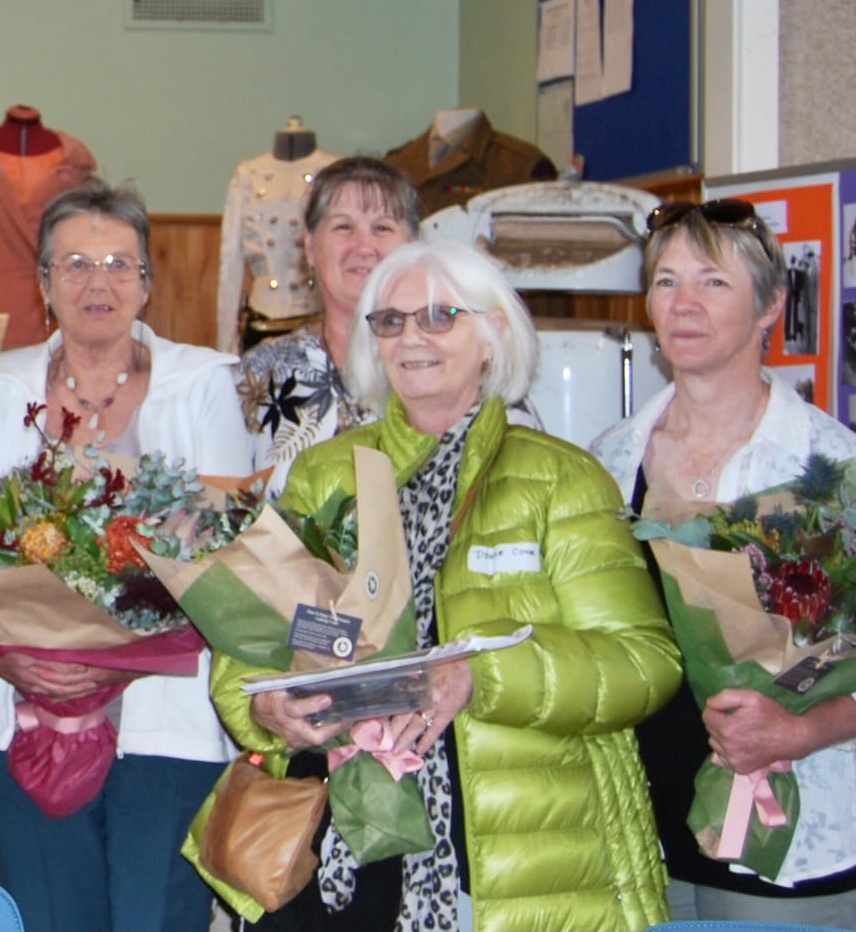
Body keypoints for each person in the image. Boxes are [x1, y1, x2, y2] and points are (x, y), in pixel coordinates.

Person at [226, 240, 681, 931]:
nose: (412, 337)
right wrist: (266, 711)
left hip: (522, 854)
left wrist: (483, 674)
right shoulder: (323, 476)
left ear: (494, 333)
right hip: (343, 846)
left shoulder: (563, 477)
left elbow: (643, 662)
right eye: (390, 321)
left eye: (440, 316)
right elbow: (247, 642)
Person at [0, 179, 251, 932]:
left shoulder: (203, 384)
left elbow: (225, 560)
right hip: (26, 711)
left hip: (167, 724)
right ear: (45, 283)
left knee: (156, 919)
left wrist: (119, 658)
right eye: (75, 264)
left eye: (120, 264)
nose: (98, 283)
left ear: (148, 283)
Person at [591, 199, 856, 928]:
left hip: (782, 851)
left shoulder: (828, 463)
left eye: (714, 282)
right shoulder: (611, 455)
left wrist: (799, 729)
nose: (684, 304)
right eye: (666, 282)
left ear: (772, 306)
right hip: (636, 845)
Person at [235, 156, 422, 491]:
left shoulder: (447, 366)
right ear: (309, 247)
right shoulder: (258, 375)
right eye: (343, 227)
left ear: (413, 247)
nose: (364, 246)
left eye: (382, 227)